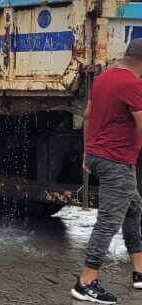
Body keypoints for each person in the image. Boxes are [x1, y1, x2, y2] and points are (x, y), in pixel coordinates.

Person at [73, 38, 142, 304]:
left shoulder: (103, 78)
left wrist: (87, 152)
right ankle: (85, 282)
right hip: (117, 162)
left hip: (98, 156)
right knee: (108, 221)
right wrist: (134, 150)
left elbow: (88, 116)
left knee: (134, 208)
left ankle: (139, 272)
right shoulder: (133, 85)